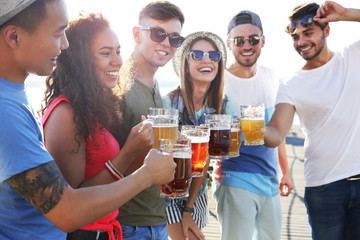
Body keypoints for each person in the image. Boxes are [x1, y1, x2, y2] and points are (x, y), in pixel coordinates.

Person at [0, 0, 176, 239]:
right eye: (57, 33)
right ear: (14, 36)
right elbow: (67, 211)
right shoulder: (7, 110)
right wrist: (147, 175)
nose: (64, 45)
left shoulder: (14, 97)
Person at [40, 12, 156, 240]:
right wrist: (129, 152)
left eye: (118, 51)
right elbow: (72, 202)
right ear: (80, 61)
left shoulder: (96, 107)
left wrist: (145, 150)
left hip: (107, 231)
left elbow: (109, 172)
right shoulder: (65, 114)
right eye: (106, 53)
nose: (118, 61)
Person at [264, 2, 360, 239]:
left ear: (326, 30)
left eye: (308, 33)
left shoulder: (353, 56)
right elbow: (276, 133)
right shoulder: (291, 84)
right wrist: (249, 125)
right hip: (323, 187)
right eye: (295, 37)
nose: (301, 42)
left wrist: (347, 14)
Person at [211, 10, 293, 239]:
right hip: (235, 180)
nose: (247, 45)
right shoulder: (219, 84)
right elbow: (206, 130)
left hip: (269, 182)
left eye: (253, 39)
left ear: (263, 41)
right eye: (239, 40)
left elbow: (278, 129)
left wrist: (285, 172)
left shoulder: (270, 76)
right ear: (229, 44)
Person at [115, 1, 185, 239]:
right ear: (137, 34)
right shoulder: (117, 85)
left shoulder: (155, 87)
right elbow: (105, 163)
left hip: (157, 222)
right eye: (158, 33)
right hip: (128, 225)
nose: (166, 43)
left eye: (175, 38)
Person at [163, 31, 235, 240]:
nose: (207, 60)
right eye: (197, 54)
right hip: (168, 189)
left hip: (196, 192)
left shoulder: (224, 106)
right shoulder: (168, 103)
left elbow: (206, 160)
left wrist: (189, 208)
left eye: (213, 56)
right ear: (186, 65)